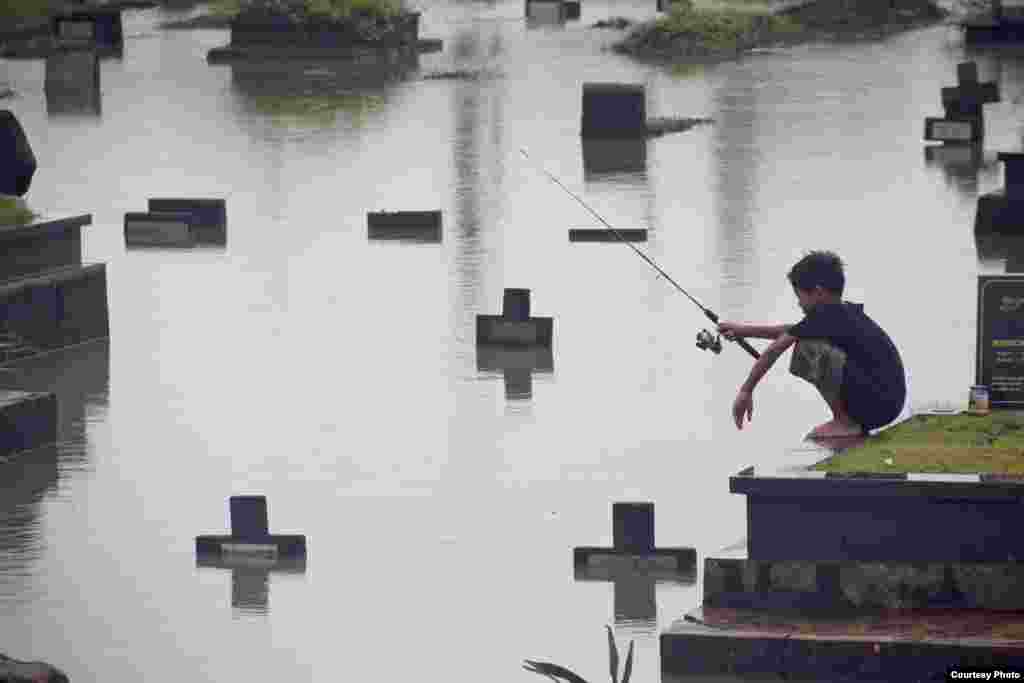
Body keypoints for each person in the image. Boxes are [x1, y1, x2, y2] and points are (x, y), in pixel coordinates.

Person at [717, 251, 906, 439]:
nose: (799, 304)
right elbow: (792, 331)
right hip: (889, 405)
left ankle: (844, 422)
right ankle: (848, 420)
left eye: (799, 296)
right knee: (805, 340)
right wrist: (743, 331)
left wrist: (746, 390)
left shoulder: (824, 316)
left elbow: (775, 349)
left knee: (806, 348)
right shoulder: (842, 312)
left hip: (878, 405)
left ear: (818, 293)